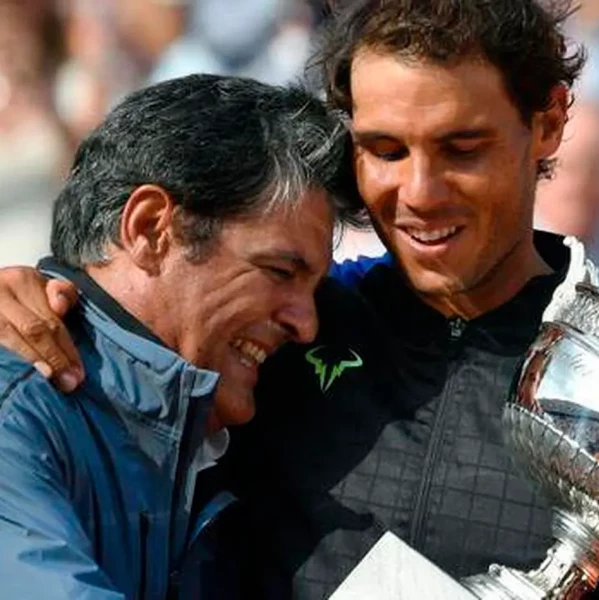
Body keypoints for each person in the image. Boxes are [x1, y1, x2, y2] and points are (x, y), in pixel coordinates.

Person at [0, 2, 599, 598]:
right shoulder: (266, 346)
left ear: (548, 124)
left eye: (463, 148)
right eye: (384, 150)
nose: (420, 191)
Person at [0, 74, 360, 599]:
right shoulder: (18, 406)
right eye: (281, 271)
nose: (306, 326)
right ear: (149, 229)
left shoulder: (210, 429)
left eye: (313, 288)